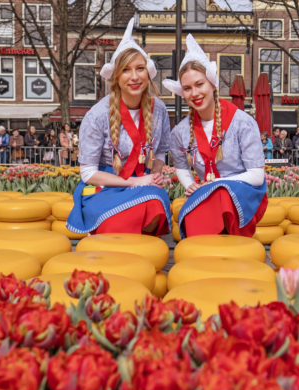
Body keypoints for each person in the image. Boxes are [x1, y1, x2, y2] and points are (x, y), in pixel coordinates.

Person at [65, 18, 171, 237]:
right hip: (106, 186)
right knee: (119, 219)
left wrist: (156, 175)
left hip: (143, 181)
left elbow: (160, 151)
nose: (134, 77)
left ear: (148, 73)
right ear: (115, 77)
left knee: (155, 204)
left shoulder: (159, 109)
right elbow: (88, 173)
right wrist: (135, 181)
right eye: (126, 70)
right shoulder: (96, 115)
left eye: (139, 68)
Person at [162, 34, 265, 239]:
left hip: (243, 193)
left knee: (223, 196)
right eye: (188, 88)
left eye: (199, 84)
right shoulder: (180, 132)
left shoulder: (242, 122)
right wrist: (189, 184)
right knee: (196, 214)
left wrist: (215, 184)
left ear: (212, 84)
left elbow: (257, 176)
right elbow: (181, 166)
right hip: (207, 191)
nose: (194, 93)